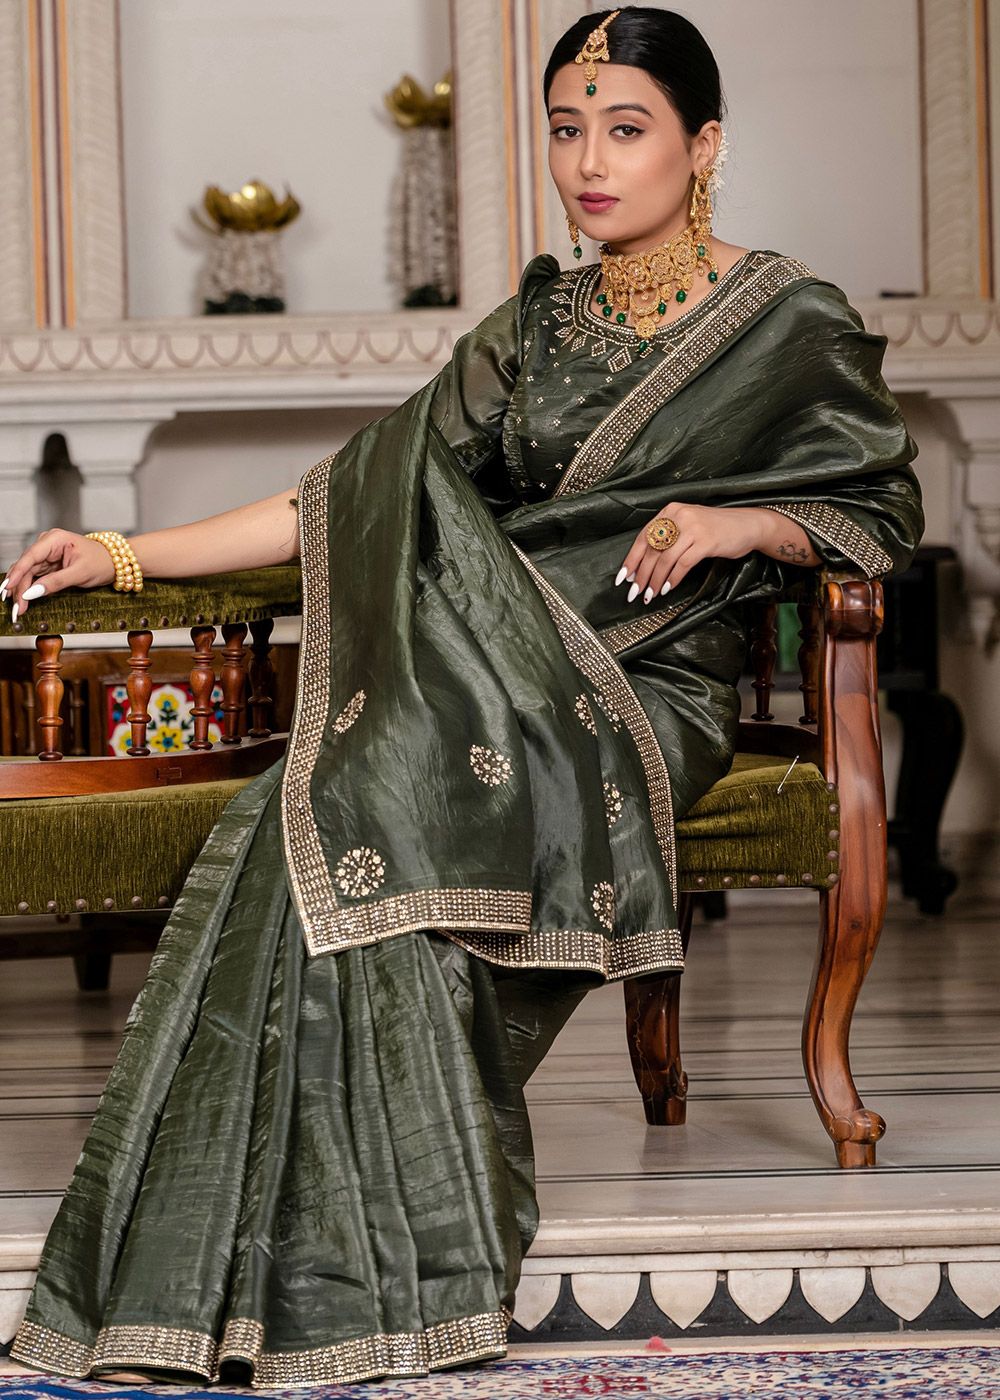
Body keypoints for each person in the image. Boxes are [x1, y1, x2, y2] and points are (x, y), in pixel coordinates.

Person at [8, 7, 923, 1389]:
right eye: (567, 130)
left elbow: (880, 511)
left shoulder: (790, 321)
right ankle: (276, 1257)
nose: (590, 163)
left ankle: (383, 1252)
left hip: (644, 678)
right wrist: (122, 553)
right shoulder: (537, 325)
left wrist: (734, 526)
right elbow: (352, 495)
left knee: (375, 798)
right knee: (303, 814)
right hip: (482, 662)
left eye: (626, 129)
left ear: (704, 146)